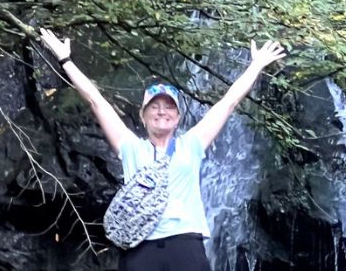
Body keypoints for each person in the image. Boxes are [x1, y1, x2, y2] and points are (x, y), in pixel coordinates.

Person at [39, 28, 286, 271]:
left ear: (178, 118)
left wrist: (256, 66)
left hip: (186, 244)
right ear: (143, 116)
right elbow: (96, 101)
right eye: (154, 106)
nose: (161, 111)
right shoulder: (131, 147)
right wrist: (65, 60)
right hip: (141, 246)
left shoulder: (192, 144)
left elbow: (228, 102)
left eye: (169, 107)